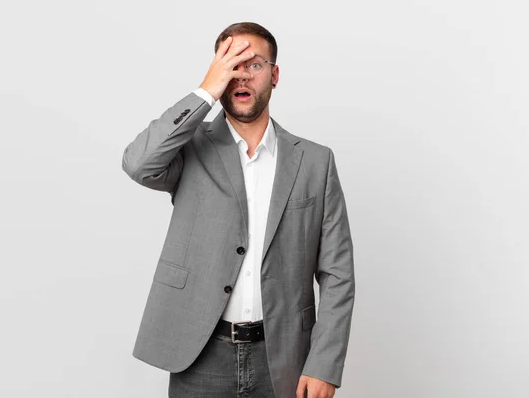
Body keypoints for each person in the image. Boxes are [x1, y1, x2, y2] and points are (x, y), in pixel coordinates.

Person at [122, 22, 355, 398]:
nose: (242, 76)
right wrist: (205, 91)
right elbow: (138, 164)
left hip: (284, 359)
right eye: (231, 65)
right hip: (199, 354)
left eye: (254, 64)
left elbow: (338, 273)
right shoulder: (190, 149)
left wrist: (324, 363)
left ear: (275, 75)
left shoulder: (315, 162)